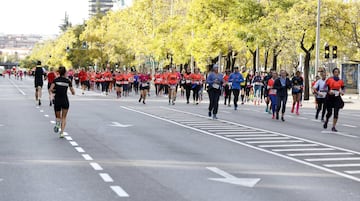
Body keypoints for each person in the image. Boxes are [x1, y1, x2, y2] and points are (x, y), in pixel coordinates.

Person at [49, 66, 75, 138]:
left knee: (58, 116)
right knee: (64, 117)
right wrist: (72, 92)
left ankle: (57, 124)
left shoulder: (56, 80)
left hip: (57, 100)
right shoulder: (68, 81)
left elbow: (50, 89)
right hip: (65, 100)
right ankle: (62, 132)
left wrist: (55, 90)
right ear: (65, 73)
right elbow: (73, 92)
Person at [323, 68, 345, 132]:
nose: (336, 73)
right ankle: (326, 121)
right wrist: (328, 91)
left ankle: (333, 126)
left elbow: (343, 88)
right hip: (330, 97)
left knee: (336, 112)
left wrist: (342, 92)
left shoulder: (340, 81)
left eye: (338, 72)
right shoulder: (329, 80)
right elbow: (324, 88)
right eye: (335, 72)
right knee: (329, 112)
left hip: (337, 97)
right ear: (333, 73)